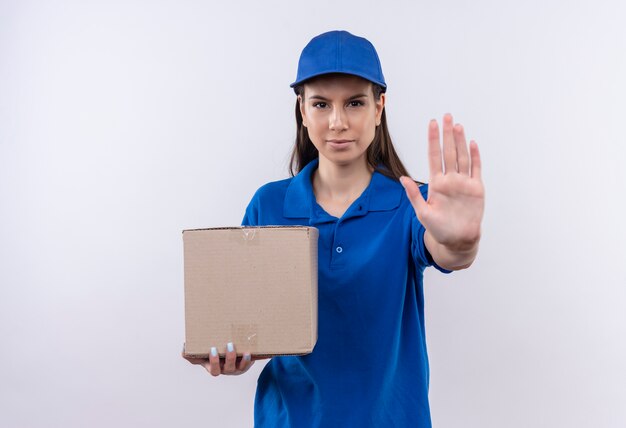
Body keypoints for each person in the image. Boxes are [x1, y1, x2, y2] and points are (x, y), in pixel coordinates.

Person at [183, 30, 485, 427]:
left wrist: (461, 241)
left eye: (355, 103)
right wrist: (235, 356)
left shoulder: (414, 204)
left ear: (379, 108)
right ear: (302, 111)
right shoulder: (269, 205)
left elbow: (447, 250)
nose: (338, 122)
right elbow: (249, 326)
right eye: (321, 104)